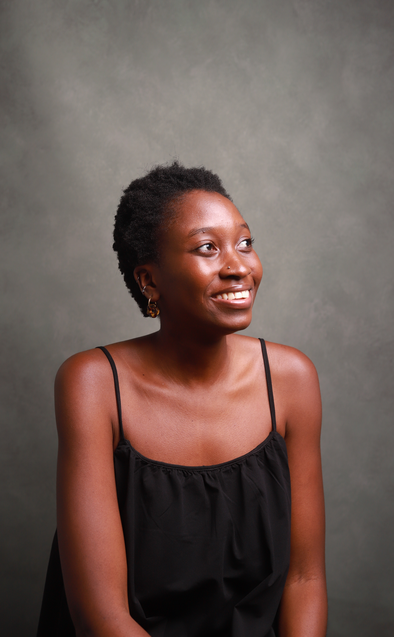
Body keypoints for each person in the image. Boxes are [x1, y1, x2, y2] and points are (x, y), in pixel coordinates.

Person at [37, 162, 327, 637]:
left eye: (245, 243)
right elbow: (100, 615)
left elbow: (304, 578)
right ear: (149, 281)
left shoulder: (291, 378)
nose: (239, 267)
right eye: (207, 248)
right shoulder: (93, 383)